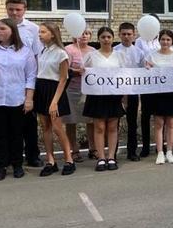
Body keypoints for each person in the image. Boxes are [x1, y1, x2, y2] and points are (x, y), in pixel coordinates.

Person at [0, 0, 44, 167]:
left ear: (25, 10)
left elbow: (37, 56)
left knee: (28, 124)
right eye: (11, 9)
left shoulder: (32, 29)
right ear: (6, 9)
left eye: (18, 9)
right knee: (3, 129)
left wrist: (31, 89)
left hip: (25, 83)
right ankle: (6, 160)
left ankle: (32, 156)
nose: (14, 12)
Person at [0, 18, 36, 180]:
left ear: (12, 31)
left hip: (17, 99)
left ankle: (17, 165)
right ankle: (1, 166)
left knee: (16, 134)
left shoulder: (25, 51)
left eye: (3, 28)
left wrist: (29, 99)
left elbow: (31, 76)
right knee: (0, 135)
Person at [34, 22, 76, 176]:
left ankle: (69, 160)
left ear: (52, 34)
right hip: (41, 89)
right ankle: (50, 161)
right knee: (45, 127)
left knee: (57, 128)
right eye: (39, 32)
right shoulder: (42, 51)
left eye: (43, 32)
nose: (40, 35)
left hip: (55, 91)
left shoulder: (61, 53)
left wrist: (54, 101)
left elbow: (63, 79)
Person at [83, 27, 127, 171]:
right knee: (99, 127)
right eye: (103, 37)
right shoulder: (91, 55)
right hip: (97, 96)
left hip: (114, 95)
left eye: (109, 37)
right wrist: (81, 71)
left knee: (113, 127)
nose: (106, 39)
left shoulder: (120, 56)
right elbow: (84, 72)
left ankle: (111, 156)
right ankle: (101, 157)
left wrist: (124, 97)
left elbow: (125, 75)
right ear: (98, 39)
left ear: (113, 38)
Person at [144, 30, 173, 164]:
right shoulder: (151, 56)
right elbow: (146, 71)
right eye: (163, 39)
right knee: (159, 123)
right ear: (159, 40)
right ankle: (160, 152)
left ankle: (169, 152)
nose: (165, 42)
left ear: (172, 41)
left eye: (168, 39)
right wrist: (147, 68)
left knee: (171, 123)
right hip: (157, 93)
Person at [114, 22, 147, 161]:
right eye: (124, 34)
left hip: (133, 92)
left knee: (132, 122)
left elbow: (143, 72)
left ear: (134, 35)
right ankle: (113, 152)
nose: (126, 37)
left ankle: (132, 151)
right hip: (116, 92)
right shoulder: (114, 51)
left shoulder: (139, 53)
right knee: (114, 123)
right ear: (119, 35)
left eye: (129, 34)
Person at [63, 28, 95, 162]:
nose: (84, 36)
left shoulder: (93, 51)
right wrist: (77, 71)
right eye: (81, 33)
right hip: (72, 90)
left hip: (89, 91)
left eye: (87, 33)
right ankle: (74, 150)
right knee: (71, 121)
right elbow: (64, 68)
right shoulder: (68, 49)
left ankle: (93, 148)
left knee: (91, 120)